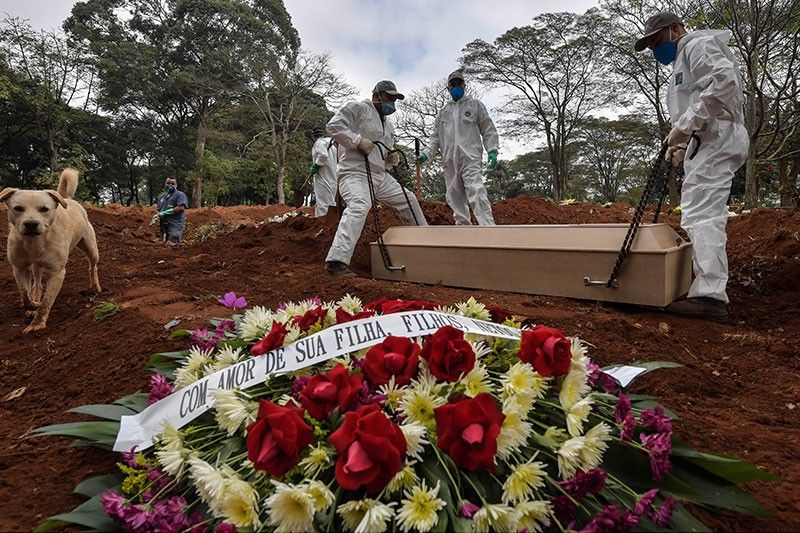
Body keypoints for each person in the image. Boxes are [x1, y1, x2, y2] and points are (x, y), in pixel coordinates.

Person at [635, 12, 749, 322]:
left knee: (702, 213)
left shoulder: (697, 45)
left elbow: (723, 83)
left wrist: (685, 126)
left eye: (658, 41)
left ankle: (710, 296)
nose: (657, 50)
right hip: (707, 141)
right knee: (697, 211)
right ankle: (706, 284)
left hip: (718, 138)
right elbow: (699, 101)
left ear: (674, 29)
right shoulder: (681, 62)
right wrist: (681, 144)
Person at [324, 80, 428, 277]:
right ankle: (336, 261)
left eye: (395, 99)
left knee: (409, 200)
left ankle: (427, 242)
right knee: (360, 204)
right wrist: (356, 141)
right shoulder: (358, 108)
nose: (392, 103)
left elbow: (382, 154)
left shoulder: (389, 126)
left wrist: (390, 159)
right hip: (355, 173)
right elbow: (333, 126)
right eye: (389, 98)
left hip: (380, 176)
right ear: (377, 96)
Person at [419, 70, 499, 225]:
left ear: (464, 85)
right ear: (448, 87)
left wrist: (492, 150)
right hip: (449, 160)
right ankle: (463, 229)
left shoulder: (475, 105)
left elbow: (487, 128)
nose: (456, 86)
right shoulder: (443, 112)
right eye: (452, 84)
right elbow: (435, 138)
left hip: (470, 157)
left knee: (476, 190)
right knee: (454, 196)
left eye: (458, 83)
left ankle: (488, 228)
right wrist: (427, 153)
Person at [310, 127, 339, 217]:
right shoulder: (331, 145)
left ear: (314, 136)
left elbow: (323, 155)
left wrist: (316, 165)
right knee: (330, 202)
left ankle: (322, 223)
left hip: (323, 178)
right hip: (332, 177)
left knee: (323, 203)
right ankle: (330, 223)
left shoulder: (319, 143)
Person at [154, 177, 188, 245]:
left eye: (172, 184)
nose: (170, 185)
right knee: (162, 243)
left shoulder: (180, 195)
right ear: (165, 184)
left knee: (172, 244)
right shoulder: (162, 197)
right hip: (163, 224)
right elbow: (158, 208)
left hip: (175, 223)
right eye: (168, 183)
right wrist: (157, 215)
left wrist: (165, 212)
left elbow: (181, 207)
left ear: (176, 185)